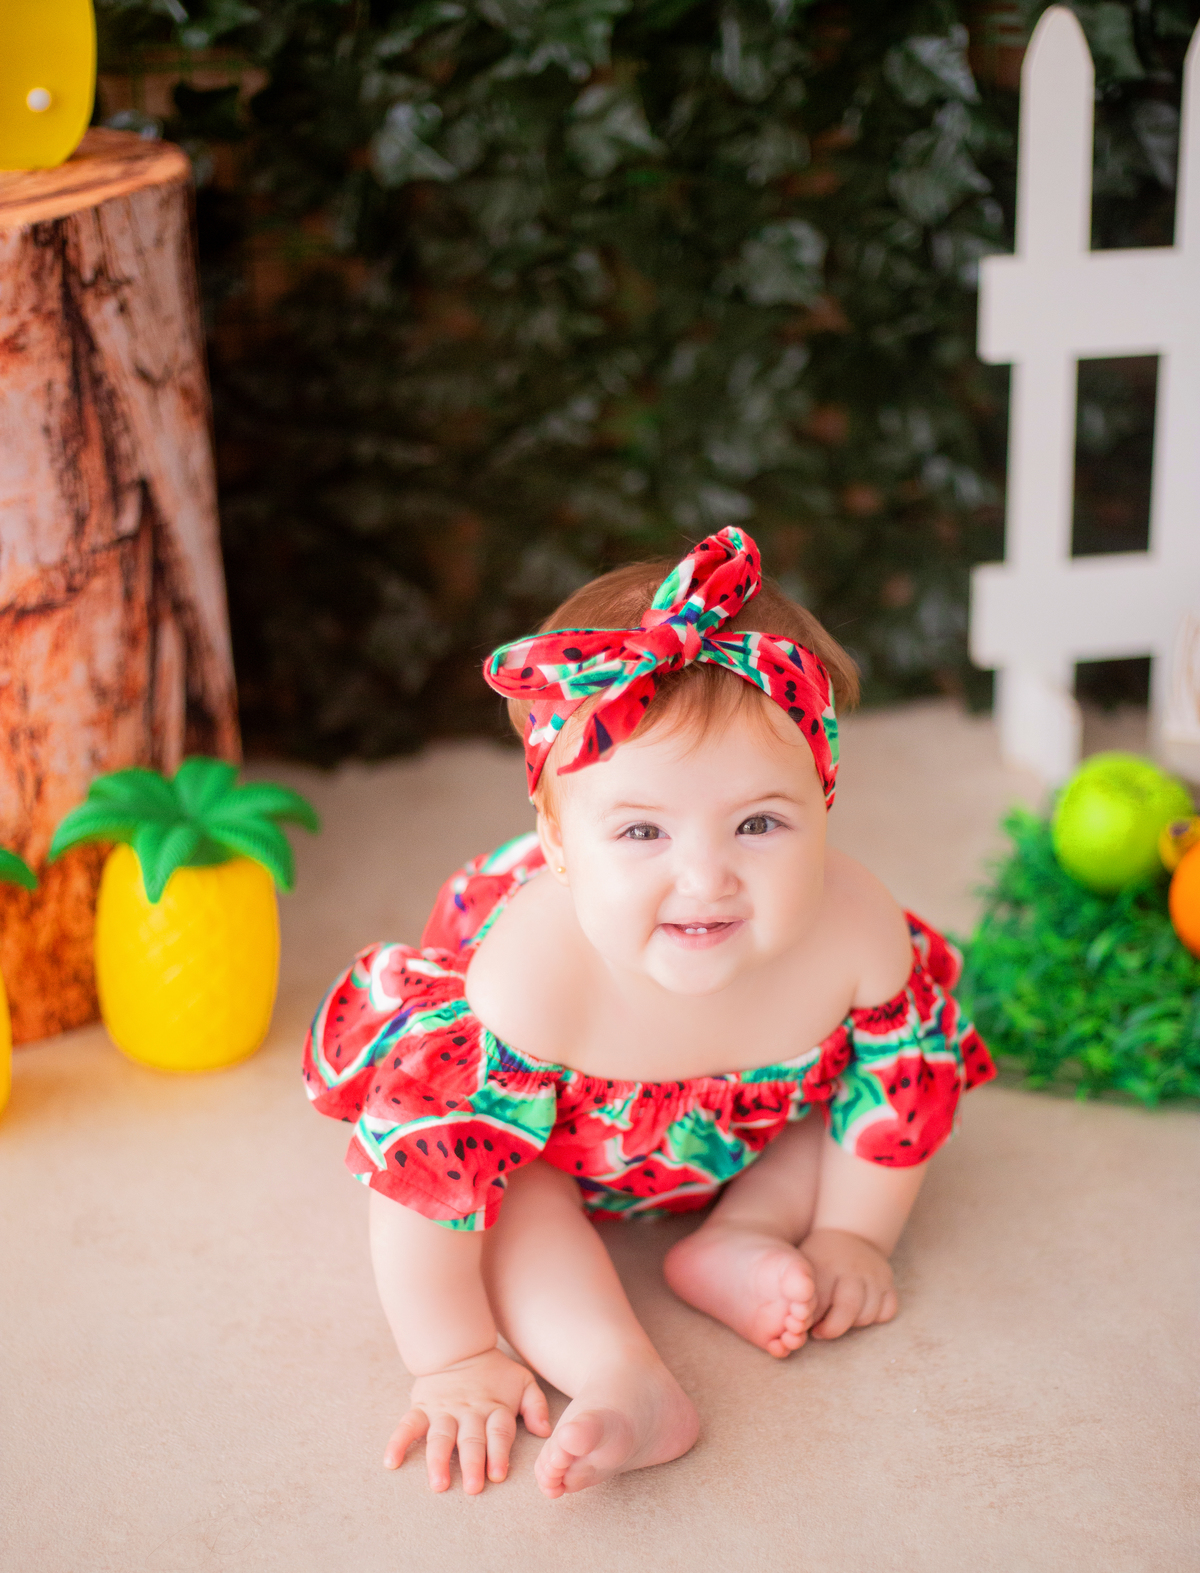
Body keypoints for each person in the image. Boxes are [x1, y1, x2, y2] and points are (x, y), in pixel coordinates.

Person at [304, 527, 995, 1500]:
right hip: (557, 1147)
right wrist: (452, 1355)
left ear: (824, 802)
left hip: (746, 1131)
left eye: (760, 823)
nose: (706, 878)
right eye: (640, 830)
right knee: (516, 1207)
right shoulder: (531, 986)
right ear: (560, 839)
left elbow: (899, 1097)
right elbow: (425, 1190)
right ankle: (620, 1374)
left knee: (830, 1126)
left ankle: (741, 1236)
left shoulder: (853, 932)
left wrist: (852, 1236)